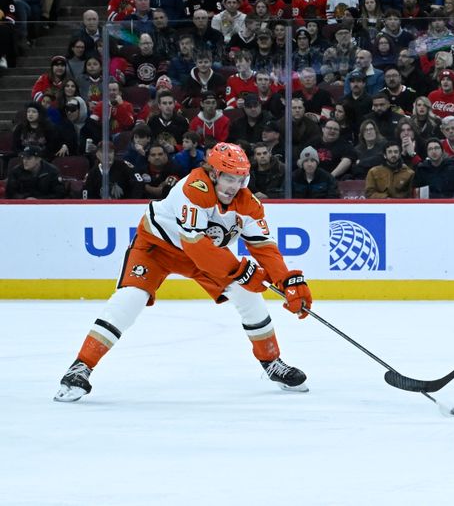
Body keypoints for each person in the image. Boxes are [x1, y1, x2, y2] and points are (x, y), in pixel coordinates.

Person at [54, 143, 312, 402]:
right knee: (131, 298)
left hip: (205, 255)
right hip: (157, 247)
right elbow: (195, 245)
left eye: (241, 179)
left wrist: (287, 281)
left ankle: (272, 362)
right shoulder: (194, 189)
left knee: (249, 297)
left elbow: (264, 246)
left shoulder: (249, 204)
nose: (235, 186)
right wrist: (240, 271)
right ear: (213, 173)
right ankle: (80, 367)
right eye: (229, 178)